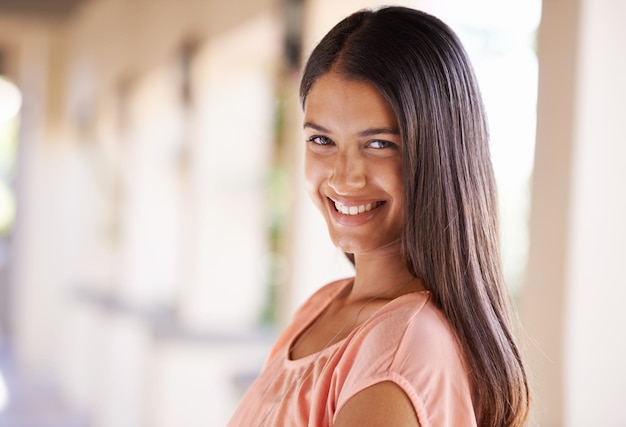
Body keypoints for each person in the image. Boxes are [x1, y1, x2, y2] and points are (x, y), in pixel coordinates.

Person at [228, 6, 530, 427]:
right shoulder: (323, 307)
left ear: (440, 154)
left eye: (380, 144)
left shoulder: (402, 347)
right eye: (321, 139)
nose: (343, 177)